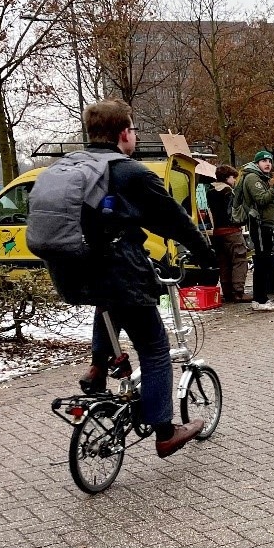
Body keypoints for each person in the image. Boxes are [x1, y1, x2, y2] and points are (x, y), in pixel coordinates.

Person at [47, 100, 216, 458]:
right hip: (119, 269)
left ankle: (96, 368)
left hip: (74, 271)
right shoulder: (129, 173)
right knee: (155, 350)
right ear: (125, 133)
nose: (134, 136)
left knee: (109, 302)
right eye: (134, 130)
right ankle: (166, 432)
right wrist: (205, 256)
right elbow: (173, 219)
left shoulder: (71, 167)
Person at [238, 150, 274, 312]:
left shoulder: (261, 178)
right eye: (263, 161)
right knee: (262, 260)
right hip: (259, 223)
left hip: (265, 224)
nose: (268, 163)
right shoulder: (252, 178)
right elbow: (262, 199)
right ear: (257, 163)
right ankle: (260, 299)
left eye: (269, 161)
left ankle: (260, 298)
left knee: (264, 260)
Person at [206, 164, 248, 303]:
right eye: (233, 177)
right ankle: (238, 292)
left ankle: (227, 292)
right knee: (239, 260)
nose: (235, 180)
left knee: (224, 262)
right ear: (226, 177)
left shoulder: (210, 191)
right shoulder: (228, 192)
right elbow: (233, 213)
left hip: (218, 232)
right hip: (232, 232)